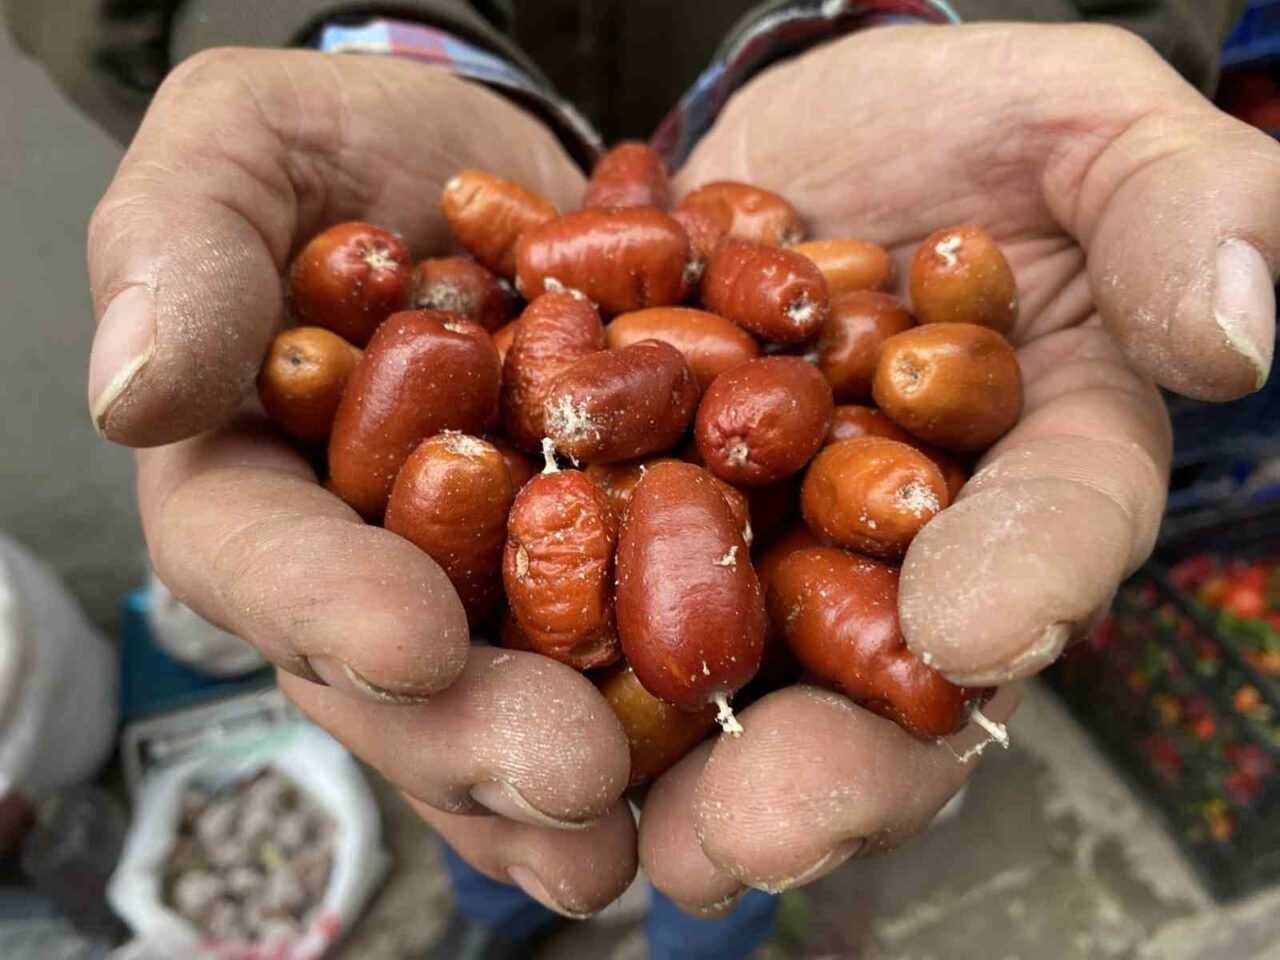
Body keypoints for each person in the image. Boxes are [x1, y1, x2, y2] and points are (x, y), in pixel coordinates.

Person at [6, 1, 1275, 957]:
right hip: (460, 104)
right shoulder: (523, 376)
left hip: (812, 118)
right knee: (505, 784)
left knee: (727, 829)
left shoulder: (760, 384)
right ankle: (508, 910)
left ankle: (689, 931)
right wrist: (335, 34)